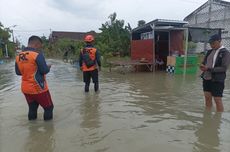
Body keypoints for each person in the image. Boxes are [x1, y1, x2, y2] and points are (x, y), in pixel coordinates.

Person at [15, 35, 54, 120]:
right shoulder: (37, 55)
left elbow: (18, 73)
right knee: (49, 108)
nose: (40, 49)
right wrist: (48, 67)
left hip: (25, 88)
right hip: (38, 88)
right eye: (40, 46)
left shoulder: (18, 56)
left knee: (32, 108)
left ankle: (32, 130)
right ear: (36, 44)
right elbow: (44, 70)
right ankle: (48, 131)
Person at [200, 34, 230, 112]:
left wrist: (208, 69)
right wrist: (202, 65)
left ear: (219, 41)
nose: (211, 45)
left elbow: (224, 68)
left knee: (217, 99)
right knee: (207, 97)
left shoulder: (225, 52)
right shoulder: (209, 52)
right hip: (206, 78)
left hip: (217, 79)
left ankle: (218, 118)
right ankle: (207, 116)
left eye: (213, 43)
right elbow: (204, 62)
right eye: (210, 43)